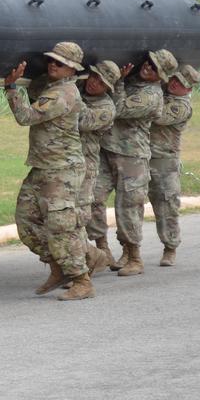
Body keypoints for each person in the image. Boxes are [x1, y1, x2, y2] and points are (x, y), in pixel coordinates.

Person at [6, 42, 95, 300]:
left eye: (60, 63)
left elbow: (25, 117)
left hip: (62, 170)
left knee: (61, 226)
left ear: (71, 70)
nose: (52, 65)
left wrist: (10, 88)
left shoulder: (62, 94)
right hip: (43, 167)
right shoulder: (52, 87)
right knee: (26, 220)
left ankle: (81, 279)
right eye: (51, 61)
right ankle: (59, 267)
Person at [86, 49, 177, 277]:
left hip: (131, 156)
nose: (147, 67)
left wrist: (117, 84)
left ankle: (134, 255)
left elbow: (118, 109)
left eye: (154, 67)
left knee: (128, 206)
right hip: (106, 150)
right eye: (148, 62)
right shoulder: (133, 82)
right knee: (93, 198)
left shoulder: (152, 95)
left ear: (161, 76)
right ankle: (102, 249)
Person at [149, 64, 200, 266]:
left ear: (188, 89)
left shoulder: (181, 106)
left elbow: (156, 115)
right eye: (174, 79)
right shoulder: (162, 92)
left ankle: (170, 247)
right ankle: (130, 250)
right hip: (141, 155)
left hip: (164, 160)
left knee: (166, 204)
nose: (174, 84)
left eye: (181, 84)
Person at [78, 60, 120, 271]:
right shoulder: (77, 90)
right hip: (64, 162)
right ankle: (91, 255)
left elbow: (80, 120)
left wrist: (67, 92)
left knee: (86, 209)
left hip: (86, 163)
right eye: (93, 76)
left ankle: (99, 253)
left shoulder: (105, 108)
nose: (94, 83)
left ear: (107, 88)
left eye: (100, 82)